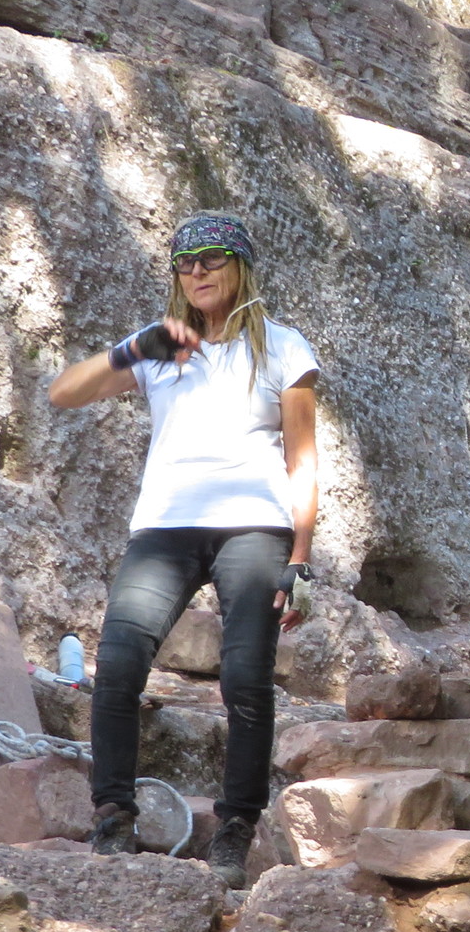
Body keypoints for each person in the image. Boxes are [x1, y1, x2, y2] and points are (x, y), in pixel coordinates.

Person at [48, 211, 319, 884]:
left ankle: (235, 829)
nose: (197, 271)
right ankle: (113, 816)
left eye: (212, 258)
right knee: (117, 664)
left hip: (254, 525)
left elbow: (303, 458)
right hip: (165, 526)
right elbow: (62, 394)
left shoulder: (283, 348)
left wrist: (301, 557)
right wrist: (133, 349)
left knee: (246, 677)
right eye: (185, 262)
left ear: (240, 266)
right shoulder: (159, 347)